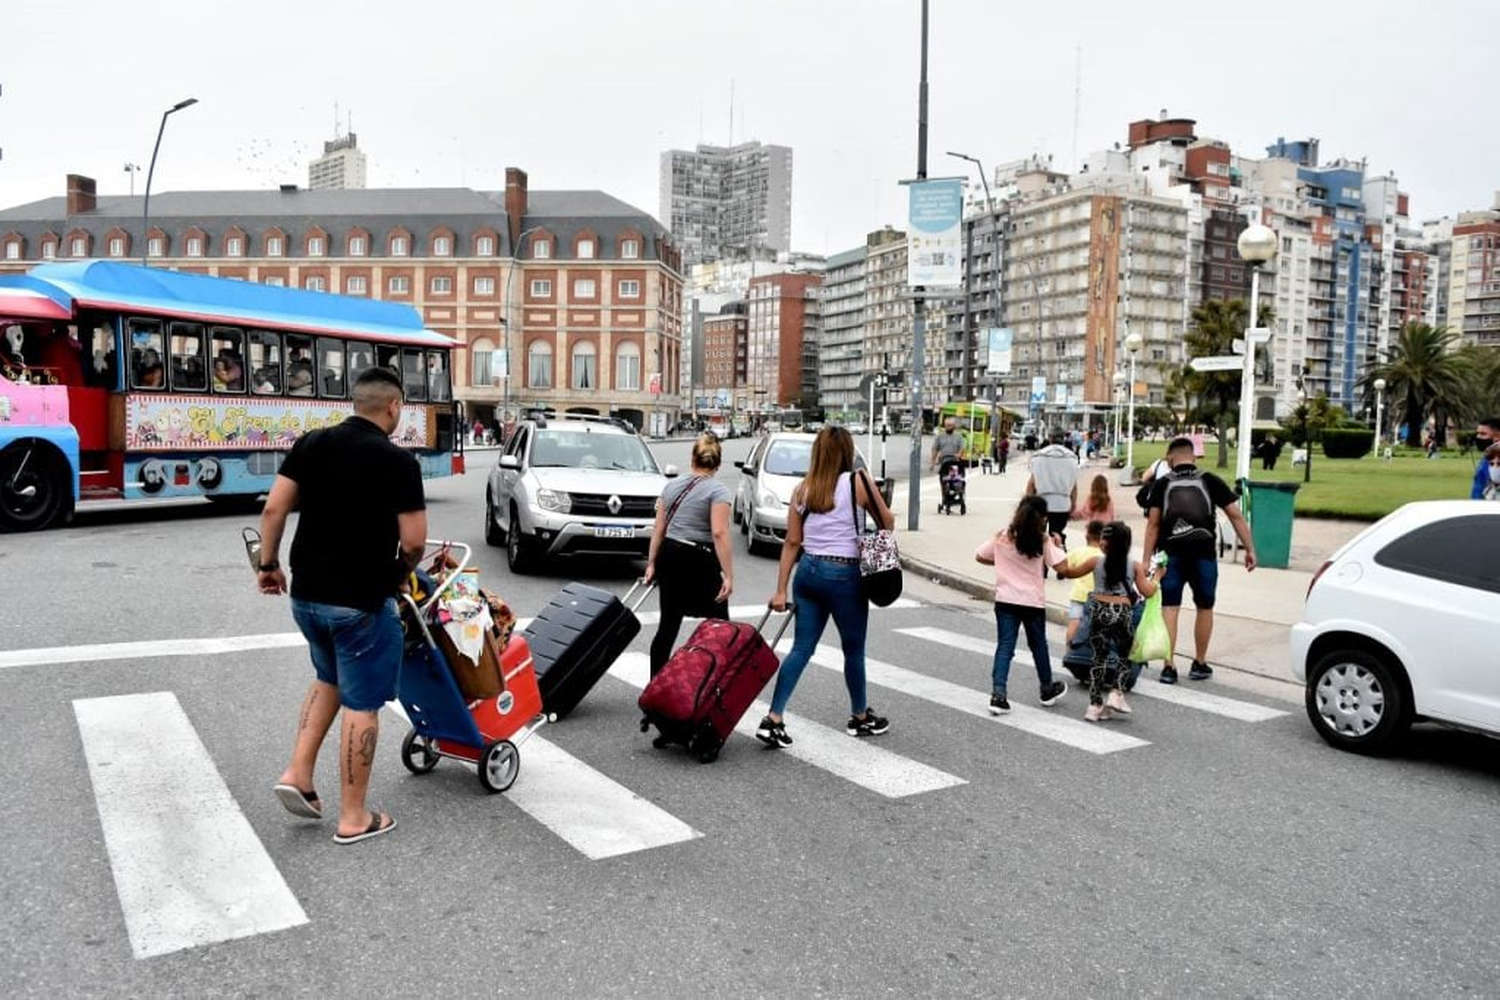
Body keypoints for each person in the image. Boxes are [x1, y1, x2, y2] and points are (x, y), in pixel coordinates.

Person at [255, 367, 426, 846]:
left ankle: (298, 774)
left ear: (356, 402)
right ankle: (354, 817)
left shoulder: (312, 444)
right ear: (393, 407)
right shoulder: (398, 462)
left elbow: (273, 510)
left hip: (307, 597)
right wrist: (394, 577)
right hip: (359, 603)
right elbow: (413, 543)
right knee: (362, 703)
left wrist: (267, 565)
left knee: (328, 677)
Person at [758, 426, 895, 747]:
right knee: (853, 650)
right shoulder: (858, 481)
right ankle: (860, 717)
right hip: (845, 575)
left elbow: (792, 542)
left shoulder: (804, 489)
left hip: (808, 572)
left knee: (802, 648)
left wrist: (780, 590)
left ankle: (773, 718)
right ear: (847, 452)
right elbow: (887, 521)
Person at [1141, 436, 1256, 685]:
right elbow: (1235, 515)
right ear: (1193, 457)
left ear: (1171, 458)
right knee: (1205, 607)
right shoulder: (1209, 479)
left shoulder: (1162, 484)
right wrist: (1250, 549)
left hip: (1170, 555)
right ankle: (1200, 662)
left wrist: (1145, 560)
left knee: (1170, 608)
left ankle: (1169, 667)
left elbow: (1153, 525)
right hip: (1204, 555)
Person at [644, 434, 734, 676]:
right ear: (717, 463)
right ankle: (711, 685)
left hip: (670, 555)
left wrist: (651, 563)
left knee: (668, 626)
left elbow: (659, 528)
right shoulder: (718, 491)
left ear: (692, 458)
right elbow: (719, 533)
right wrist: (727, 575)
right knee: (719, 628)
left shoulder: (671, 486)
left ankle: (655, 689)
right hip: (699, 561)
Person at [975, 495, 1073, 714]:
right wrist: (1058, 545)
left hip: (1006, 600)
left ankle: (998, 695)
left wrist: (1000, 561)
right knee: (1038, 646)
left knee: (1005, 647)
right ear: (1043, 519)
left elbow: (980, 556)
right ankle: (1047, 688)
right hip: (1032, 602)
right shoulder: (1042, 540)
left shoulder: (1002, 537)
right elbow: (1063, 568)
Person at [1061, 522, 1163, 721]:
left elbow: (1068, 572)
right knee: (1127, 653)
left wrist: (1057, 551)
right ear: (1127, 544)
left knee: (1099, 657)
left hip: (1098, 610)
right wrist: (1158, 576)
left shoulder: (1095, 562)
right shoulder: (1133, 566)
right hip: (1121, 611)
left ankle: (1094, 705)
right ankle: (1116, 692)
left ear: (1105, 543)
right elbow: (1148, 592)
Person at [1025, 430, 1079, 550]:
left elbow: (1032, 484)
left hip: (1040, 503)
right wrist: (1073, 504)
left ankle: (1040, 564)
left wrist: (1028, 503)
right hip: (1062, 504)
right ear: (1063, 439)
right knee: (1057, 534)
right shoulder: (1072, 458)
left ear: (1050, 439)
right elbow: (1074, 487)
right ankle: (1060, 559)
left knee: (1038, 536)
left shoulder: (1038, 456)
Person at [1063, 520, 1106, 645]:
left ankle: (1070, 650)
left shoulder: (1078, 551)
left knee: (1074, 623)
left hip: (1078, 595)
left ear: (1087, 535)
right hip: (1098, 597)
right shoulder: (1104, 556)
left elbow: (1064, 567)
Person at [1470, 418, 1500, 499]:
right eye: (1478, 433)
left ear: (1497, 436)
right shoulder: (1486, 458)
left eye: (1483, 434)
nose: (1478, 437)